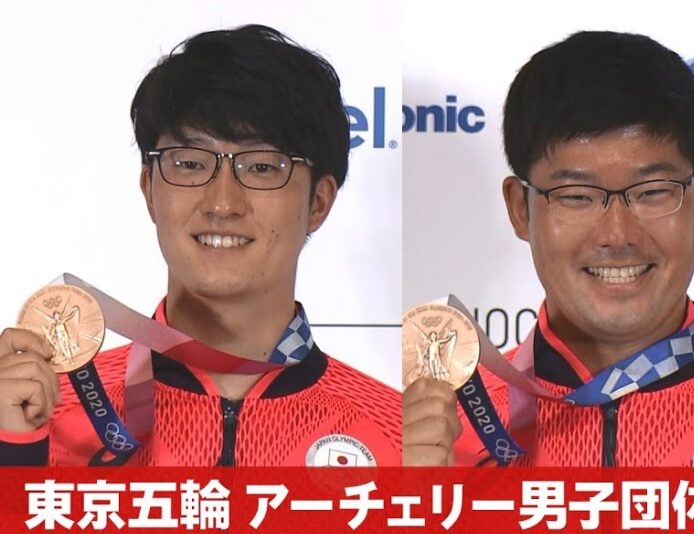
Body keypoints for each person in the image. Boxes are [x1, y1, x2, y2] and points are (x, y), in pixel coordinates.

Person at [403, 30, 694, 534]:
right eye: (576, 196)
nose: (617, 235)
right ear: (519, 209)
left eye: (653, 191)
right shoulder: (430, 436)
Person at [0, 25, 402, 467]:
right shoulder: (34, 412)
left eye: (262, 167)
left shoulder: (399, 439)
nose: (222, 203)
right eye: (190, 163)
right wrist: (12, 456)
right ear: (149, 190)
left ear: (319, 203)